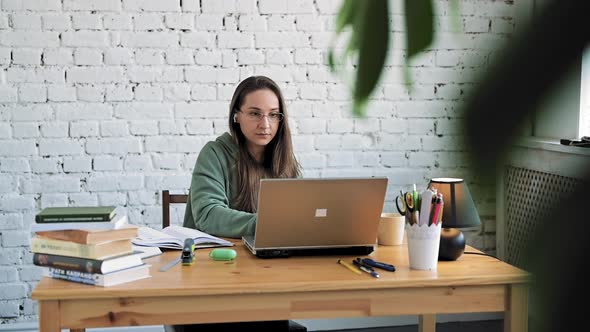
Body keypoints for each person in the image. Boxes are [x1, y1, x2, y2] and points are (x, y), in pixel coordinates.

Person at [177, 76, 305, 332]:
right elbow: (208, 215)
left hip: (267, 277)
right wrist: (268, 223)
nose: (265, 124)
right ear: (237, 115)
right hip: (212, 278)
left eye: (274, 115)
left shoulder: (284, 160)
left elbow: (297, 214)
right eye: (255, 113)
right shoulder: (214, 153)